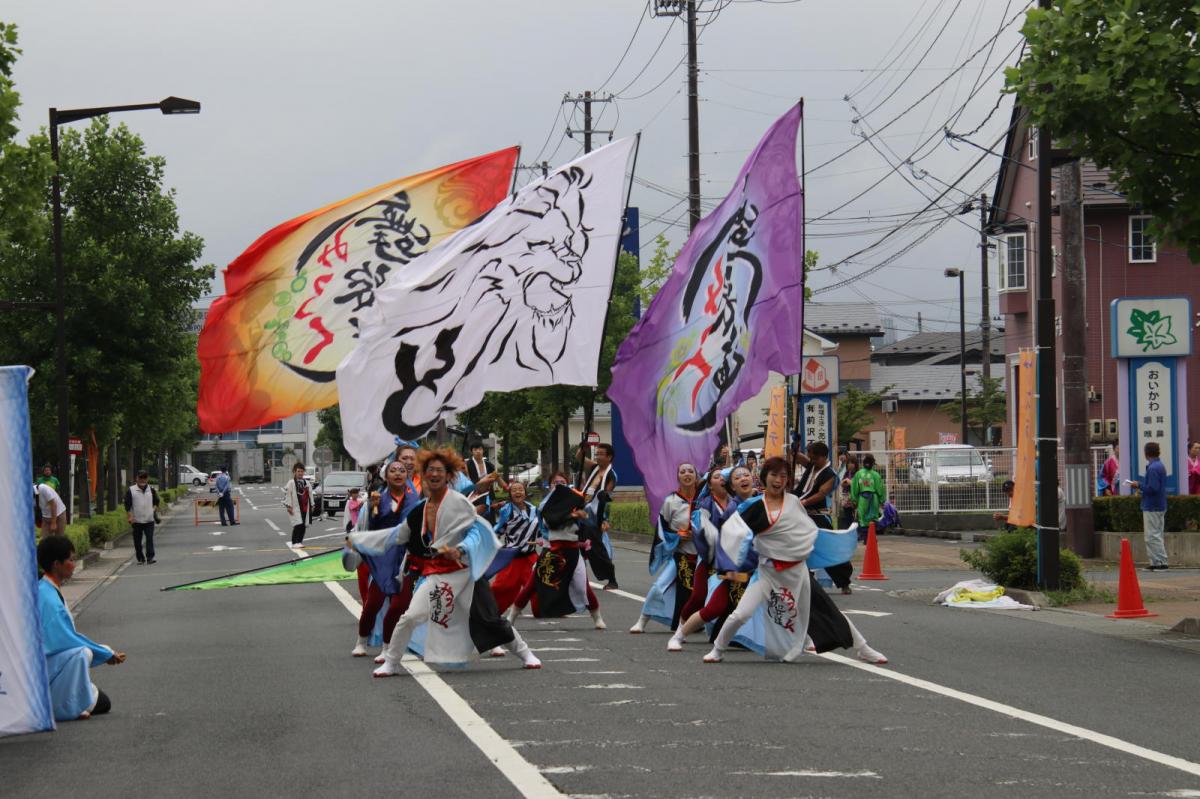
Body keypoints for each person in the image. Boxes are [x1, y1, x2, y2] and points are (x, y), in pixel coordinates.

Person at [357, 448, 541, 676]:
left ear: (448, 476)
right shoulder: (419, 510)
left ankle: (525, 653)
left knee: (490, 620)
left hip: (467, 575)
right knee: (410, 617)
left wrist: (461, 548)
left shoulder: (459, 504)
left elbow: (475, 532)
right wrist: (359, 540)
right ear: (424, 475)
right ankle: (391, 662)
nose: (434, 474)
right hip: (437, 575)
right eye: (430, 470)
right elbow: (398, 535)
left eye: (439, 470)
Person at [701, 457, 887, 665]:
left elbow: (807, 531)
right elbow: (733, 533)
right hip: (768, 573)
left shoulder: (793, 502)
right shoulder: (755, 507)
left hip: (797, 571)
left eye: (783, 475)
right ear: (764, 478)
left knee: (829, 610)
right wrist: (728, 553)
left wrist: (802, 547)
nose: (778, 480)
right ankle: (718, 649)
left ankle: (863, 648)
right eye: (773, 475)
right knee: (741, 614)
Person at [36, 536, 125, 720]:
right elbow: (67, 640)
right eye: (70, 560)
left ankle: (70, 702)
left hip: (50, 666)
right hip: (45, 670)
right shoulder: (48, 599)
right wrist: (105, 653)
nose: (74, 564)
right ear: (56, 564)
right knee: (83, 653)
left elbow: (67, 637)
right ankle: (62, 706)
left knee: (86, 656)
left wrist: (104, 651)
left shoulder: (46, 589)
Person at [506, 472, 606, 629]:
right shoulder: (545, 505)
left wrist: (592, 517)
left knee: (582, 586)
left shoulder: (575, 501)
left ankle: (597, 618)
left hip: (572, 551)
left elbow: (591, 514)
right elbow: (551, 521)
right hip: (551, 549)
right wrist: (571, 514)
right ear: (550, 485)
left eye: (562, 482)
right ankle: (511, 617)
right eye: (555, 482)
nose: (559, 484)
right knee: (533, 584)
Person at [668, 465, 751, 652]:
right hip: (719, 563)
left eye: (746, 475)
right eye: (717, 477)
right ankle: (680, 632)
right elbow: (703, 531)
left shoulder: (755, 502)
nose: (721, 479)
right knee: (702, 598)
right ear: (711, 484)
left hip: (747, 566)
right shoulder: (710, 504)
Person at [347, 460, 420, 658]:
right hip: (382, 560)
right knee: (373, 604)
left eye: (402, 471)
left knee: (399, 605)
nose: (398, 473)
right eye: (393, 470)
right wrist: (371, 509)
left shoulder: (414, 500)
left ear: (407, 475)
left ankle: (387, 647)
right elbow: (367, 527)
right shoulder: (377, 499)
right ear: (386, 476)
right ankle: (361, 640)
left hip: (404, 559)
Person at [630, 463, 700, 634]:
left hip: (702, 557)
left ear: (697, 476)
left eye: (691, 471)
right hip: (680, 555)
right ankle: (642, 620)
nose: (687, 474)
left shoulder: (704, 500)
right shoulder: (671, 501)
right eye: (682, 472)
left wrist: (698, 535)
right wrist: (678, 536)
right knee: (659, 587)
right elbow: (662, 529)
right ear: (678, 477)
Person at [794, 442, 852, 594]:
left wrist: (802, 502)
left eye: (814, 458)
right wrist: (793, 448)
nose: (811, 461)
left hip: (817, 515)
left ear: (823, 457)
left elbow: (821, 494)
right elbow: (798, 457)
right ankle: (801, 577)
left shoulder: (830, 475)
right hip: (800, 513)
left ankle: (844, 580)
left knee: (829, 549)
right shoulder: (812, 465)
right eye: (810, 457)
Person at [578, 442, 619, 589]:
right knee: (577, 547)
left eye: (602, 454)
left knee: (597, 550)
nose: (598, 457)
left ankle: (612, 579)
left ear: (610, 457)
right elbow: (580, 458)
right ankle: (577, 577)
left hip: (595, 516)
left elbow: (606, 498)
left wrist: (605, 520)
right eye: (597, 454)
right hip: (582, 512)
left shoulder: (611, 475)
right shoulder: (595, 468)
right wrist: (583, 447)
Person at [1129, 442, 1168, 571]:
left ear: (1146, 453)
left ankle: (1160, 562)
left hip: (1152, 506)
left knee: (1152, 536)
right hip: (1159, 504)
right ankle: (1157, 562)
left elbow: (1152, 488)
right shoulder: (1159, 466)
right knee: (1157, 534)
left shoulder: (1152, 468)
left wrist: (1138, 485)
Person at [123, 471, 160, 565]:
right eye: (141, 478)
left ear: (147, 479)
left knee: (149, 538)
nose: (143, 480)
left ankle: (150, 558)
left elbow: (156, 502)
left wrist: (153, 511)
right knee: (137, 541)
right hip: (137, 520)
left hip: (149, 520)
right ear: (137, 478)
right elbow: (127, 505)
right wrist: (130, 516)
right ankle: (140, 558)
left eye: (145, 478)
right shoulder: (131, 490)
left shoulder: (151, 490)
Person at [850, 454, 887, 540]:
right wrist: (882, 501)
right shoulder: (876, 475)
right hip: (874, 498)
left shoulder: (858, 474)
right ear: (873, 463)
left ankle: (866, 537)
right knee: (873, 517)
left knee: (862, 518)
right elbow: (880, 489)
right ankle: (872, 538)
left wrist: (854, 500)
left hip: (862, 498)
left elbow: (854, 488)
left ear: (863, 463)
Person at [283, 463, 312, 548]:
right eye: (298, 471)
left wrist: (312, 505)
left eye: (302, 471)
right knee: (297, 524)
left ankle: (299, 541)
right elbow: (287, 494)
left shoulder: (306, 482)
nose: (300, 473)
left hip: (305, 506)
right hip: (295, 507)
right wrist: (288, 506)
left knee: (303, 525)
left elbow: (310, 494)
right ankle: (294, 542)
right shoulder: (291, 482)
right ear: (294, 472)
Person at [838, 455, 859, 529]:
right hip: (846, 497)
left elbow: (857, 484)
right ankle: (849, 529)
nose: (850, 465)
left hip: (854, 497)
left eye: (852, 463)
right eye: (849, 463)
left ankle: (855, 530)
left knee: (855, 515)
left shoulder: (858, 473)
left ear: (856, 464)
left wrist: (849, 482)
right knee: (847, 514)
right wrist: (845, 482)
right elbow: (842, 483)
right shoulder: (846, 473)